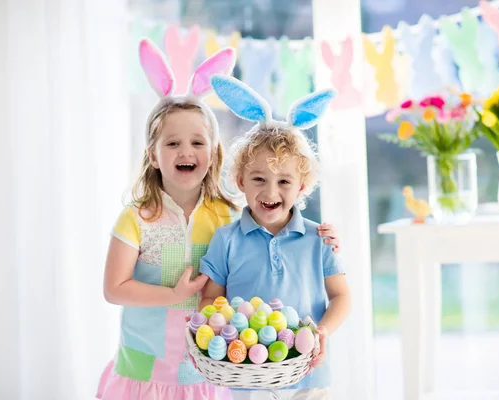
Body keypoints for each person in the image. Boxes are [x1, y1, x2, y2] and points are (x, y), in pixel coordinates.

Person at [97, 40, 341, 400]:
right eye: (172, 143)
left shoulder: (227, 213)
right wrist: (172, 294)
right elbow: (114, 288)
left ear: (214, 153)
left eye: (197, 143)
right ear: (153, 154)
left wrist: (321, 234)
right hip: (147, 368)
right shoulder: (136, 217)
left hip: (209, 368)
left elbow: (275, 229)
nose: (186, 151)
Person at [199, 74, 351, 400]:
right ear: (240, 180)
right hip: (245, 378)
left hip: (308, 375)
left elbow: (341, 296)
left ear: (302, 186)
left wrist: (322, 331)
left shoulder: (318, 238)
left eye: (284, 181)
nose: (270, 191)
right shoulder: (226, 240)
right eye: (259, 178)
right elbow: (211, 300)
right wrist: (214, 331)